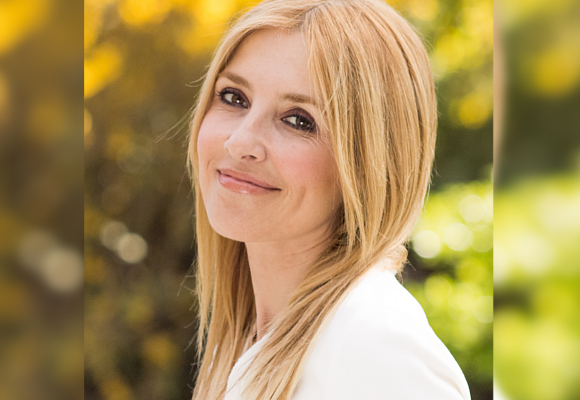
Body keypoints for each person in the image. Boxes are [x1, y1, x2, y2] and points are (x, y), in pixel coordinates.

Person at [187, 0, 471, 399]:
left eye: (298, 120)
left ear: (368, 162)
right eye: (234, 97)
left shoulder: (377, 351)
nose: (240, 142)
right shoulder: (250, 340)